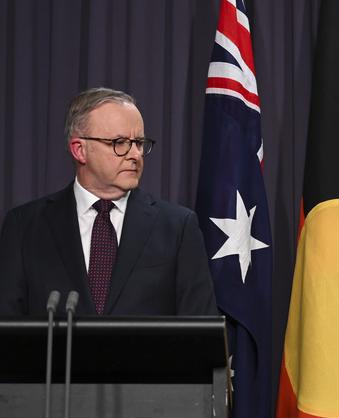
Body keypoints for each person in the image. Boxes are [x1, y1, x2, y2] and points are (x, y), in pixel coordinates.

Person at [0, 87, 217, 316]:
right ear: (79, 150)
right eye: (120, 142)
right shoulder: (24, 227)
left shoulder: (177, 228)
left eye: (139, 143)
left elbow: (201, 333)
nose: (135, 155)